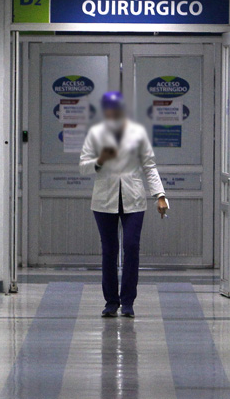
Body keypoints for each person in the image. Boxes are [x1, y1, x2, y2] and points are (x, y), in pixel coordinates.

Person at [80, 91, 170, 318]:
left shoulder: (138, 134)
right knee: (109, 250)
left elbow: (149, 166)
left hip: (134, 200)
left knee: (131, 247)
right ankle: (111, 301)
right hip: (104, 201)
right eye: (108, 109)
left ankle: (128, 301)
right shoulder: (95, 134)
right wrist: (99, 161)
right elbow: (83, 166)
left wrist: (160, 195)